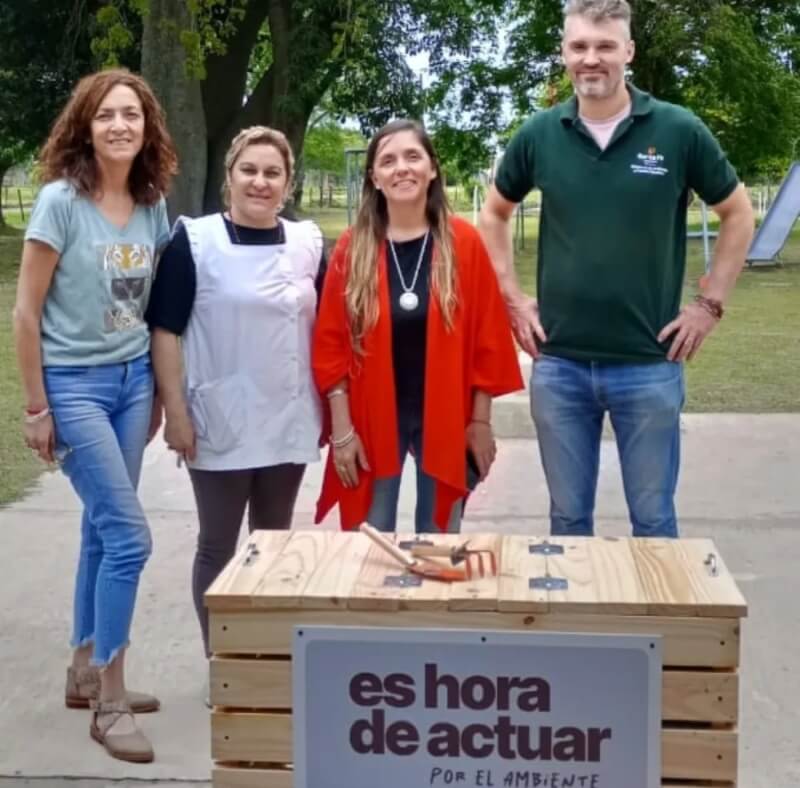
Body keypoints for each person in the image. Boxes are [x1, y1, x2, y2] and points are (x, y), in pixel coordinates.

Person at [478, 0, 755, 538]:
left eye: (605, 46)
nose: (592, 59)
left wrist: (707, 305)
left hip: (648, 363)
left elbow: (737, 212)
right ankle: (575, 623)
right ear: (563, 54)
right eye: (579, 46)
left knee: (653, 520)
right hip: (559, 365)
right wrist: (512, 297)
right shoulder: (540, 134)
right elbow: (493, 212)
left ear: (628, 51)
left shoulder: (676, 130)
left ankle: (660, 624)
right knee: (567, 520)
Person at [13, 69, 177, 762]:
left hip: (133, 382)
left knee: (101, 536)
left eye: (132, 116)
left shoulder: (151, 204)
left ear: (147, 129)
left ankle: (84, 670)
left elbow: (155, 307)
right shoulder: (59, 202)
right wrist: (35, 406)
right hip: (74, 387)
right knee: (131, 540)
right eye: (107, 115)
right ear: (86, 124)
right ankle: (110, 699)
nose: (120, 126)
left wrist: (162, 395)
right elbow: (25, 312)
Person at [146, 126, 325, 657]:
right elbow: (165, 330)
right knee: (220, 546)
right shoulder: (195, 241)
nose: (260, 182)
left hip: (288, 418)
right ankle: (221, 662)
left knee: (272, 544)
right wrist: (175, 411)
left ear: (288, 183)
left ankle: (264, 660)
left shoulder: (308, 243)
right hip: (219, 418)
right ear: (229, 178)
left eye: (273, 173)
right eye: (249, 170)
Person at [312, 119, 523, 533]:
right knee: (370, 538)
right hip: (373, 412)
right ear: (374, 176)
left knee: (439, 536)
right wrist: (341, 431)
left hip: (447, 413)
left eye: (413, 156)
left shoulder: (463, 243)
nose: (401, 168)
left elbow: (488, 340)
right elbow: (331, 343)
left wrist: (480, 422)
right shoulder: (353, 247)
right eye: (387, 160)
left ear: (433, 168)